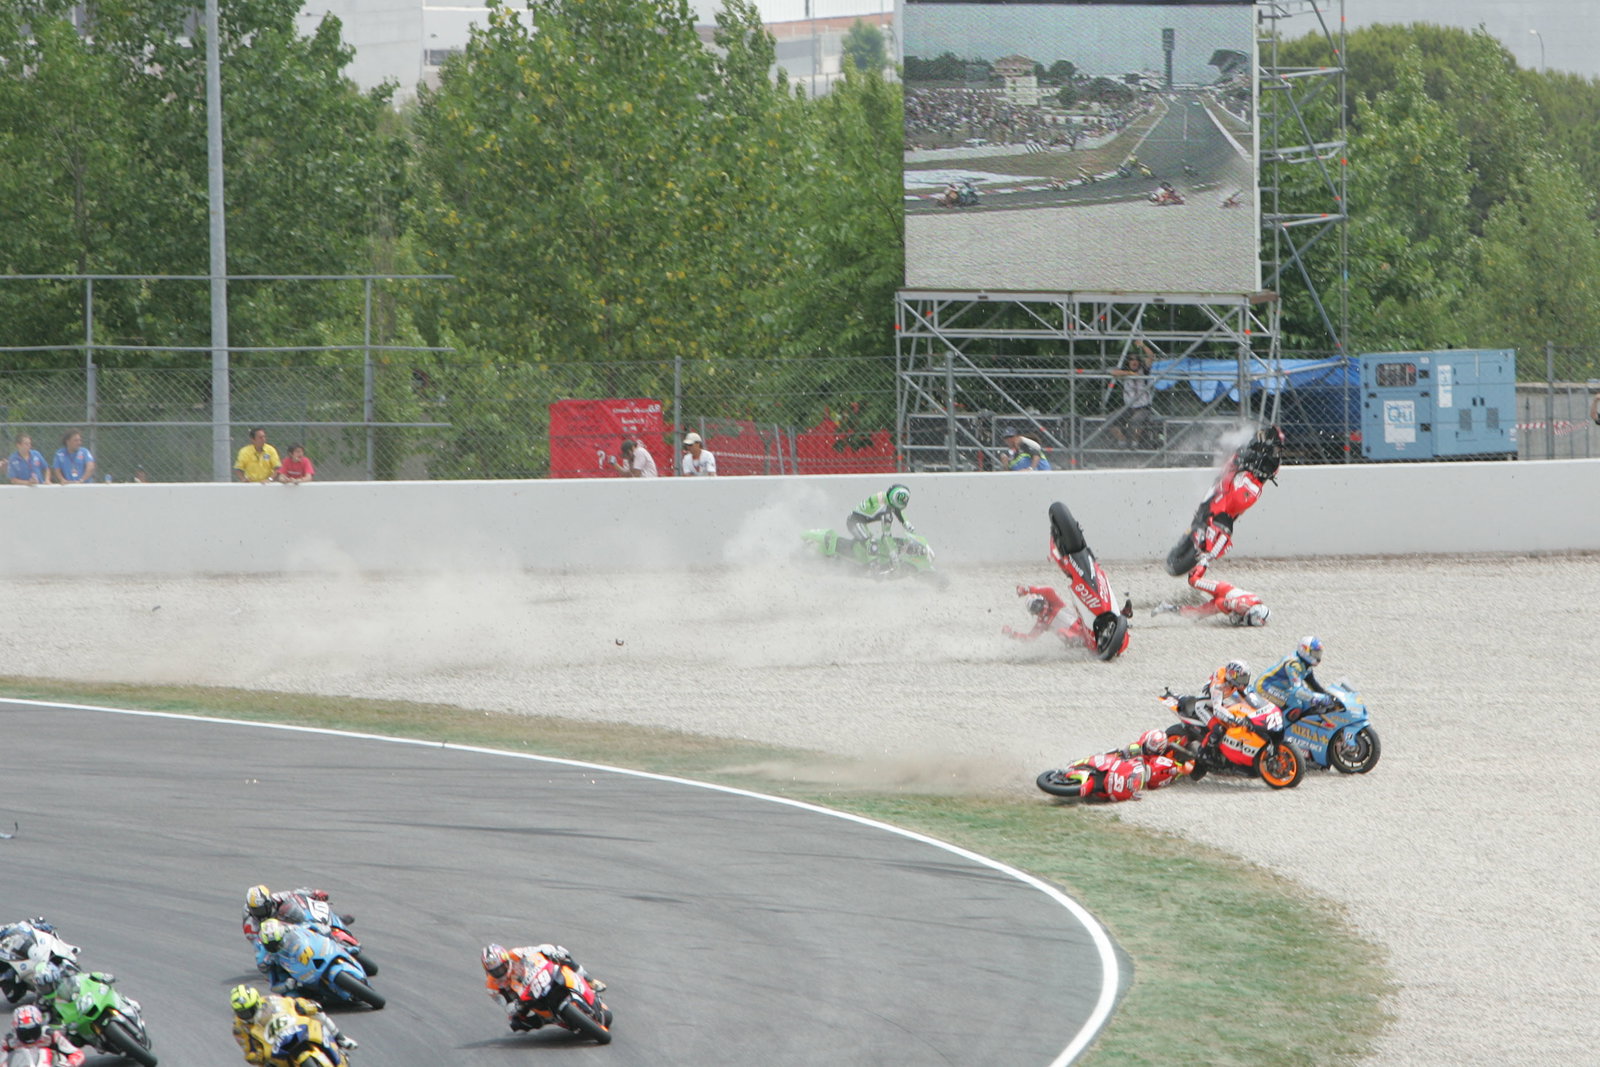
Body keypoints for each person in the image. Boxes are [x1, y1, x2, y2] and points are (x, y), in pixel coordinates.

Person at [1185, 426, 1283, 572]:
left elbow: (1269, 473)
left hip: (1245, 487)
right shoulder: (1251, 445)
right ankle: (1201, 521)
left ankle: (1208, 555)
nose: (1275, 451)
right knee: (1216, 490)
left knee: (1231, 516)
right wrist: (1241, 461)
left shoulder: (1273, 461)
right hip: (1231, 477)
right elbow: (1237, 456)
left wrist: (1260, 471)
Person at [481, 943, 606, 1032]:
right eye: (495, 972)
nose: (499, 973)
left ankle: (589, 980)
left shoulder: (516, 954)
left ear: (506, 961)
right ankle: (547, 1019)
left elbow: (540, 949)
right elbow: (506, 1007)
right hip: (525, 998)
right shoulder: (492, 986)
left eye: (501, 968)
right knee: (517, 1023)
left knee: (562, 954)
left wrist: (552, 953)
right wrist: (516, 1007)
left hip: (539, 977)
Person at [230, 983, 355, 1064]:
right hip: (272, 1048)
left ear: (256, 1003)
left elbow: (290, 1002)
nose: (246, 1015)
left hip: (292, 1028)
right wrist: (256, 1055)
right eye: (241, 1012)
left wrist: (303, 1005)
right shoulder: (239, 1027)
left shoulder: (271, 1000)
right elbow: (247, 1050)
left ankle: (340, 1038)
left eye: (248, 1010)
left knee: (317, 1013)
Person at [1198, 659, 1263, 758]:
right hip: (1204, 707)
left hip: (1218, 701)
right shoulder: (1219, 686)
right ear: (1232, 675)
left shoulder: (1233, 681)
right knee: (1219, 729)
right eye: (1242, 679)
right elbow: (1217, 709)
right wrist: (1235, 719)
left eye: (1245, 678)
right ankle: (1202, 754)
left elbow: (1246, 696)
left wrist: (1260, 708)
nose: (1244, 682)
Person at [1153, 573, 1270, 627]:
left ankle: (1166, 607)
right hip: (1222, 589)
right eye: (1246, 618)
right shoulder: (1243, 604)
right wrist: (1231, 611)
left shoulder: (1256, 608)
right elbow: (1221, 603)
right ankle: (1202, 561)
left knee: (1194, 615)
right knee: (1193, 580)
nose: (1244, 620)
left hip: (1221, 603)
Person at [1253, 636, 1333, 715]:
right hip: (1264, 686)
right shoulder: (1293, 665)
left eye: (1318, 653)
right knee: (1294, 704)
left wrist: (1329, 696)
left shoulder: (1306, 665)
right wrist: (1314, 699)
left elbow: (1313, 684)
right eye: (1315, 653)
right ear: (1304, 651)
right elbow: (1297, 690)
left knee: (1304, 701)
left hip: (1278, 687)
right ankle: (1282, 727)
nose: (1318, 657)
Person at [846, 484, 914, 568]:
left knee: (873, 541)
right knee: (871, 542)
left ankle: (867, 560)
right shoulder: (886, 512)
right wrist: (893, 553)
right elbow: (886, 536)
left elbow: (897, 510)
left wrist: (906, 522)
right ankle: (872, 567)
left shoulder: (886, 496)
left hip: (859, 520)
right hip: (854, 522)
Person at [1003, 584, 1093, 647]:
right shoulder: (1042, 623)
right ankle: (1080, 646)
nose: (1039, 609)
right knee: (1061, 631)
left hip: (1084, 629)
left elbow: (1048, 590)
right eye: (1035, 609)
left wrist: (1027, 590)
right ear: (1033, 613)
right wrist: (1011, 634)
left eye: (1038, 604)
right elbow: (1029, 638)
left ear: (1043, 600)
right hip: (1075, 641)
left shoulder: (1055, 603)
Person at [242, 884, 333, 946]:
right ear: (250, 909)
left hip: (289, 924)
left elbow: (295, 893)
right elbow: (258, 945)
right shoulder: (250, 924)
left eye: (263, 908)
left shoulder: (275, 898)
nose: (261, 913)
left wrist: (315, 893)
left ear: (269, 902)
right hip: (277, 939)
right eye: (256, 910)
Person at [1107, 344, 1158, 448]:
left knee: (1135, 421)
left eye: (1136, 360)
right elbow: (1110, 371)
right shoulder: (1125, 372)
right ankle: (1122, 440)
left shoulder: (1144, 370)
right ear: (1128, 362)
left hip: (1143, 407)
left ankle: (1135, 443)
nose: (1134, 362)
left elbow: (1151, 357)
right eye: (1131, 360)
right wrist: (1128, 373)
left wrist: (1142, 345)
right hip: (1128, 407)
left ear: (1139, 362)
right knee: (1110, 418)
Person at [1, 1005, 84, 1066]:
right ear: (15, 1030)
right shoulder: (10, 1041)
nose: (30, 1037)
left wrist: (68, 1064)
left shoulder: (50, 1035)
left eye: (33, 1030)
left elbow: (77, 1053)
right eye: (24, 1032)